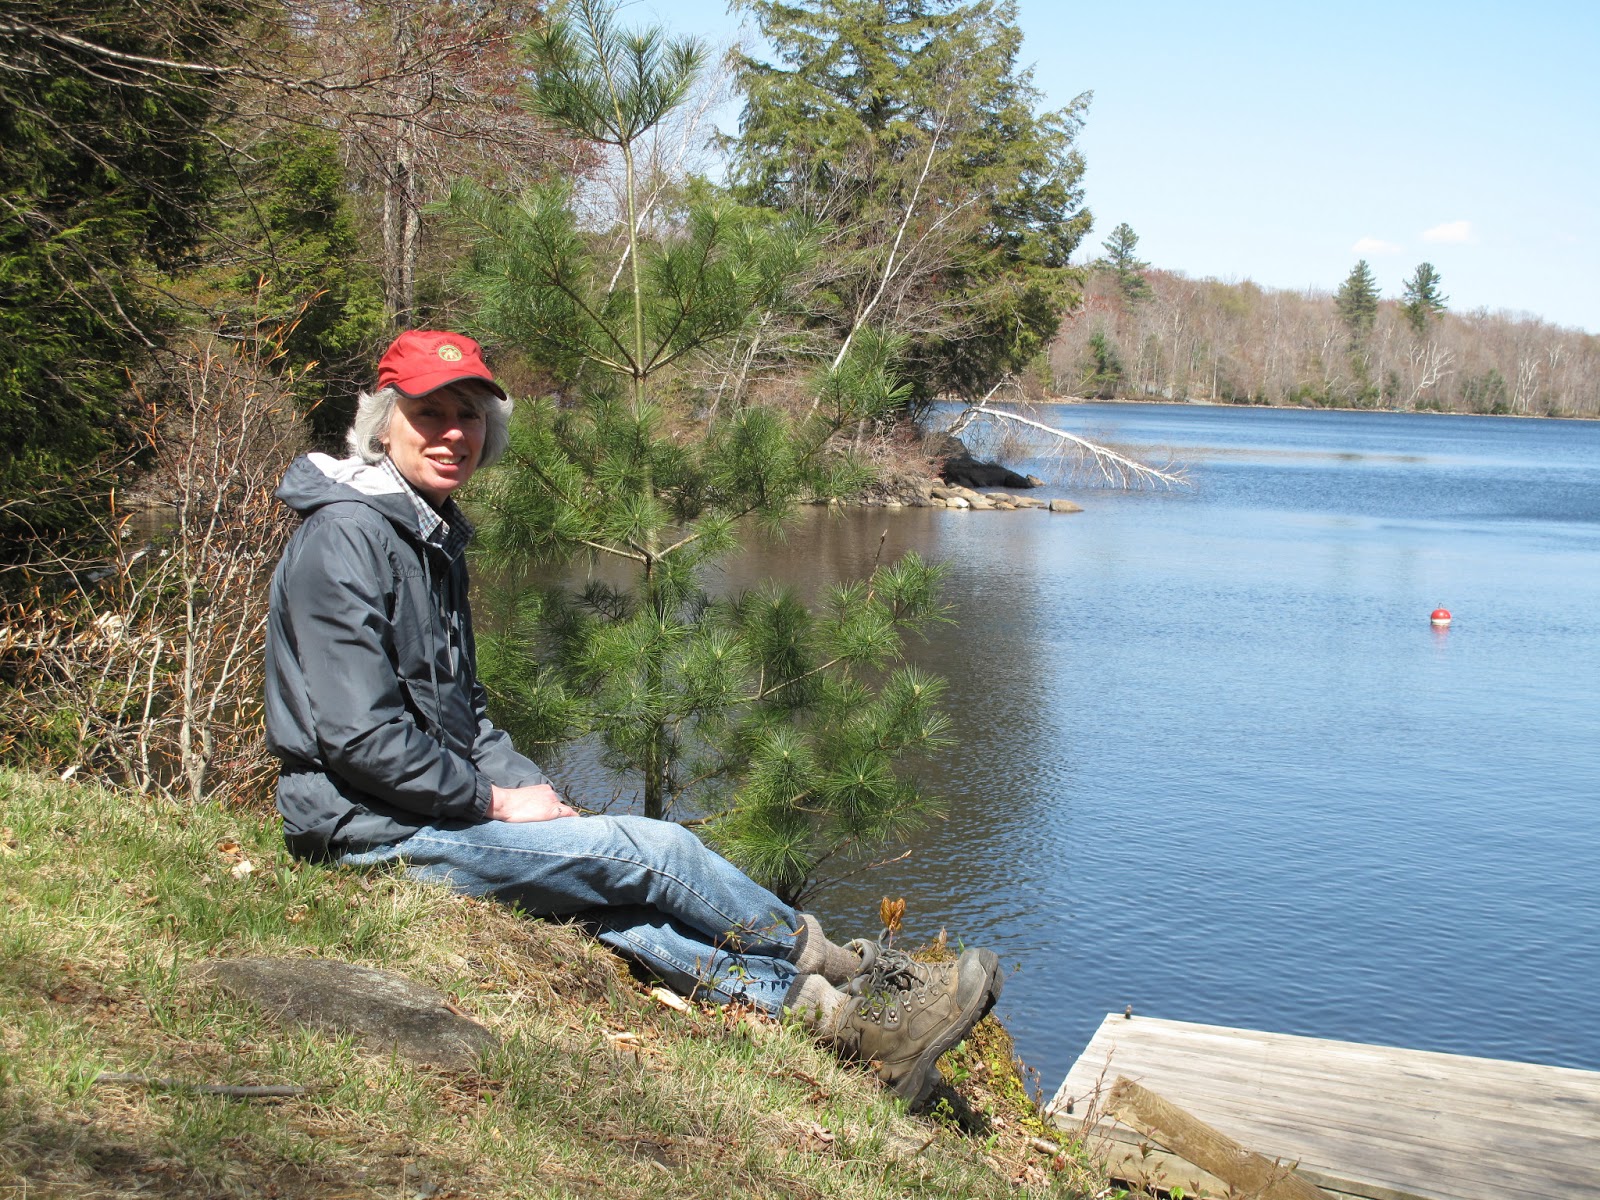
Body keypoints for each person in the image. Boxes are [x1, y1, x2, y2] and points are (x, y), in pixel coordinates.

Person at [264, 329, 1000, 1107]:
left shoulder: (424, 535)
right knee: (657, 852)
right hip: (365, 830)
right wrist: (493, 803)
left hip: (409, 810)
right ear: (382, 425)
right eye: (429, 414)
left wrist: (535, 794)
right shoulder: (348, 539)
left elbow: (465, 718)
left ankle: (850, 1029)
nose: (453, 433)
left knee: (617, 908)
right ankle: (858, 971)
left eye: (470, 416)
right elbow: (359, 737)